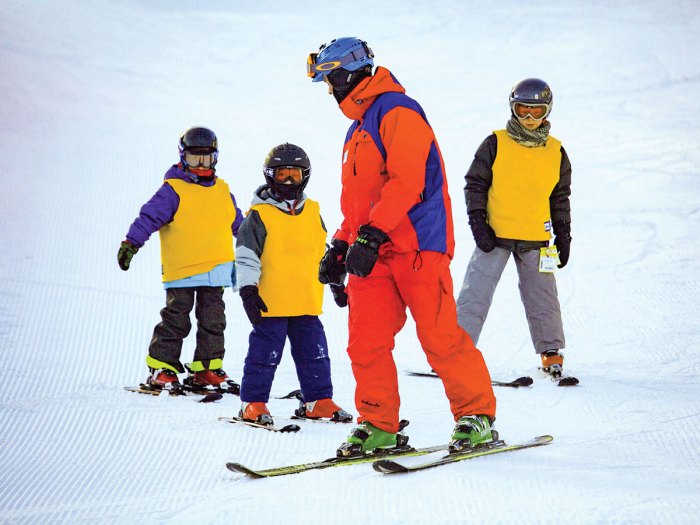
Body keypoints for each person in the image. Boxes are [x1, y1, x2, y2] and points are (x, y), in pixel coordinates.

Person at [308, 37, 497, 456]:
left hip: (415, 245)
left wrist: (371, 235)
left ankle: (476, 416)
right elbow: (359, 201)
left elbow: (407, 182)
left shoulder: (397, 111)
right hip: (373, 251)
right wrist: (341, 245)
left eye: (333, 77)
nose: (330, 88)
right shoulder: (355, 128)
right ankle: (378, 423)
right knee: (365, 341)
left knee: (439, 337)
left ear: (355, 71)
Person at [455, 78, 572, 377]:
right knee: (476, 292)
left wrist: (563, 234)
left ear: (547, 112)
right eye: (523, 110)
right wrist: (478, 223)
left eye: (537, 111)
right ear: (512, 109)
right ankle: (457, 350)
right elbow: (475, 184)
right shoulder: (495, 143)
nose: (530, 118)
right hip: (495, 236)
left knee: (543, 297)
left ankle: (550, 353)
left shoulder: (556, 152)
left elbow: (559, 197)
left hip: (536, 237)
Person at [118, 126, 243, 394]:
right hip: (183, 268)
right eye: (194, 158)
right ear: (182, 157)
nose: (200, 165)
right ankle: (162, 368)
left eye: (206, 159)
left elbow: (239, 224)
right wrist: (131, 242)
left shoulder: (222, 190)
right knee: (176, 319)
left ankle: (205, 369)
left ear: (215, 158)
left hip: (217, 269)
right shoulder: (172, 190)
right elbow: (148, 217)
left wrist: (257, 246)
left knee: (213, 321)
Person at [234, 143, 352, 426]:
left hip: (306, 300)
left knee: (315, 353)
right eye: (282, 174)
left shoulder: (313, 210)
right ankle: (253, 403)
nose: (288, 180)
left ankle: (317, 401)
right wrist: (249, 291)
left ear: (305, 177)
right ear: (269, 176)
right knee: (265, 355)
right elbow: (246, 256)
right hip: (270, 301)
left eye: (295, 175)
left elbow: (318, 250)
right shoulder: (259, 215)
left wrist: (335, 281)